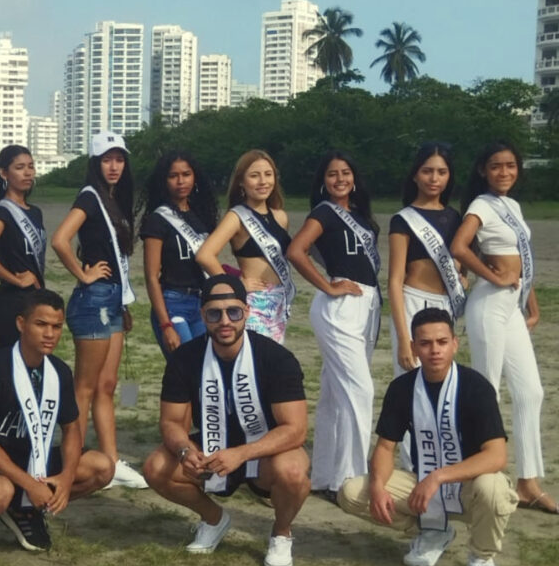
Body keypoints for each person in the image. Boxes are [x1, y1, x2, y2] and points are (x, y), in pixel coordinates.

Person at [338, 308, 518, 566]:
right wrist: (377, 486)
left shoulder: (476, 387)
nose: (434, 350)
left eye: (442, 342)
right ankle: (433, 532)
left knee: (494, 487)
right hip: (423, 488)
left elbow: (497, 456)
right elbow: (386, 447)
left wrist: (438, 476)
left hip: (467, 487)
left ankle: (482, 558)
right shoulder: (402, 389)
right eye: (425, 343)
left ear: (454, 344)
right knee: (352, 492)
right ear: (413, 347)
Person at [143, 274, 310, 566]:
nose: (225, 321)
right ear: (202, 316)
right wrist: (183, 450)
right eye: (214, 313)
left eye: (233, 312)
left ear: (246, 312)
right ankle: (214, 519)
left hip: (263, 454)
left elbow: (295, 430)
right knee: (156, 467)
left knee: (295, 471)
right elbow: (170, 422)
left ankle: (281, 533)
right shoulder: (184, 358)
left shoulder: (276, 358)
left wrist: (242, 453)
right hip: (210, 451)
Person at [0, 289, 114, 561]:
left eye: (56, 327)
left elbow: (72, 428)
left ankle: (24, 510)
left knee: (102, 467)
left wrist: (66, 477)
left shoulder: (59, 372)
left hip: (36, 461)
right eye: (41, 324)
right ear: (21, 324)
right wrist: (29, 483)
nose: (50, 334)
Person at [451, 142, 555, 515]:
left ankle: (528, 483)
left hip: (510, 307)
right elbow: (459, 247)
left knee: (531, 392)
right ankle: (477, 481)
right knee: (487, 390)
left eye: (511, 166)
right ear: (483, 170)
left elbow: (521, 261)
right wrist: (491, 277)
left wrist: (531, 302)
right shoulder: (481, 204)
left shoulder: (513, 206)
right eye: (497, 166)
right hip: (488, 307)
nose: (505, 173)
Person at [51, 131, 147, 490]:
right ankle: (71, 459)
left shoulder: (112, 199)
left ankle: (110, 460)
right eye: (107, 159)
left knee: (107, 385)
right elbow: (61, 240)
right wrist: (83, 273)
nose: (114, 166)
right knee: (85, 388)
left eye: (119, 159)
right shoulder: (89, 198)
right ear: (95, 163)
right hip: (93, 301)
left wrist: (122, 301)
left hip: (111, 301)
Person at [286, 151, 380, 498]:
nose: (339, 179)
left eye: (345, 172)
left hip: (365, 305)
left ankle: (327, 475)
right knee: (360, 391)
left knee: (335, 395)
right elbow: (296, 250)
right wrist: (326, 285)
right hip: (340, 306)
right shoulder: (324, 212)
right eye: (331, 174)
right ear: (323, 181)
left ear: (354, 177)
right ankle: (354, 479)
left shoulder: (359, 215)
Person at [196, 150, 294, 344]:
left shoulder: (281, 217)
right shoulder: (236, 217)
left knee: (273, 366)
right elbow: (205, 255)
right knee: (256, 361)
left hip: (279, 302)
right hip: (253, 302)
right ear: (241, 181)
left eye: (268, 174)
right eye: (254, 176)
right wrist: (235, 286)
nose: (263, 181)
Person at [388, 142, 464, 378]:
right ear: (415, 175)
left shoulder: (454, 217)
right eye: (427, 171)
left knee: (443, 379)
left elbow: (460, 263)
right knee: (410, 379)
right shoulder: (403, 220)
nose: (434, 178)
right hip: (413, 303)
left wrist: (462, 278)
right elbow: (394, 280)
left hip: (446, 305)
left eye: (442, 172)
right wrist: (403, 338)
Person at [139, 151, 217, 358]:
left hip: (201, 302)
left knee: (203, 368)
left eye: (186, 174)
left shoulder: (201, 215)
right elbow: (151, 277)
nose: (181, 181)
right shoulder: (158, 219)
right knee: (184, 369)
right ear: (164, 181)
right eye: (173, 176)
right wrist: (165, 324)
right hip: (173, 303)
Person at [0, 145, 44, 350]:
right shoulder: (3, 211)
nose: (28, 172)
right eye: (20, 167)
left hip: (34, 300)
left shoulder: (35, 212)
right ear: (4, 173)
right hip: (12, 302)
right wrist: (15, 280)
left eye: (31, 166)